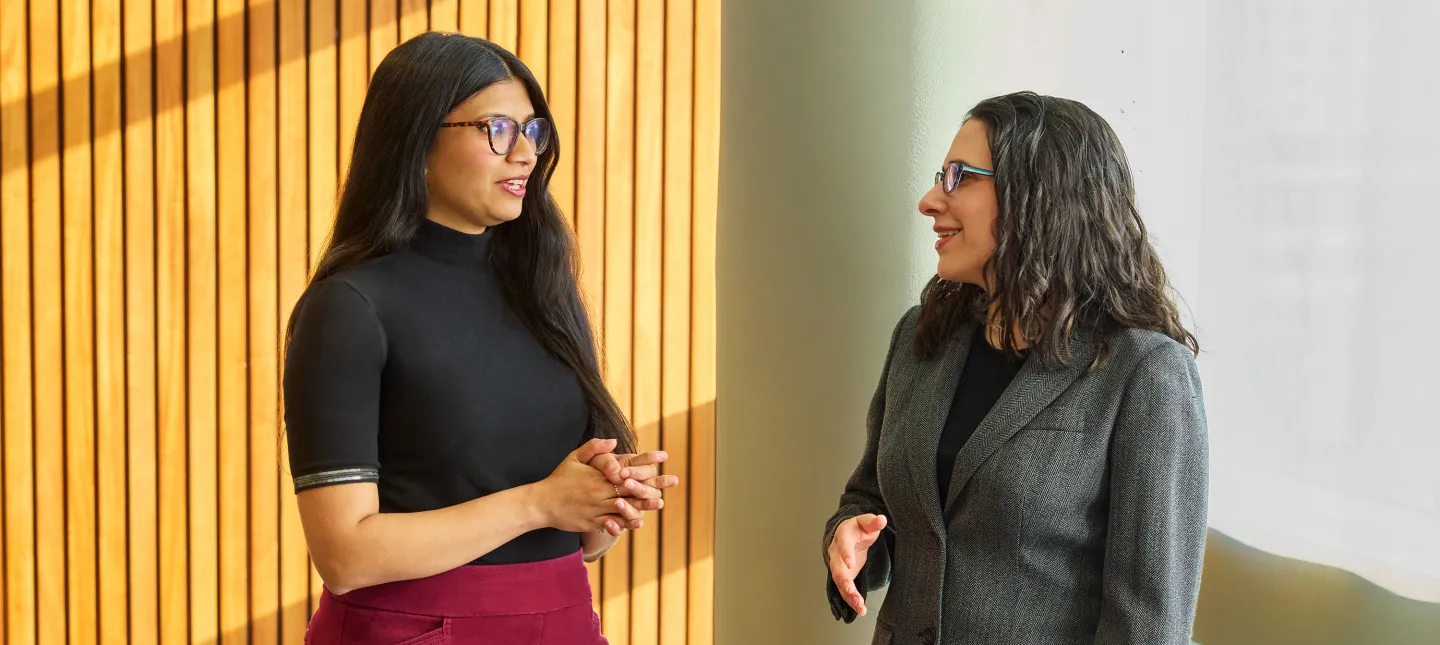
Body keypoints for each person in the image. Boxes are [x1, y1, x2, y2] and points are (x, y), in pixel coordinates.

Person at [283, 32, 677, 644]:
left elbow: (582, 540)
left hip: (565, 622)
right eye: (497, 128)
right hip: (412, 631)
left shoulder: (543, 290)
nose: (524, 152)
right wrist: (540, 503)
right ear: (417, 140)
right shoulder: (350, 308)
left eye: (533, 130)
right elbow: (346, 555)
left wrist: (603, 497)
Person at [823, 91, 1208, 645]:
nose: (930, 199)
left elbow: (1147, 630)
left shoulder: (1145, 375)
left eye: (960, 176)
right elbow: (871, 500)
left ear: (1040, 198)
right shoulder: (920, 337)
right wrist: (850, 537)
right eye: (940, 174)